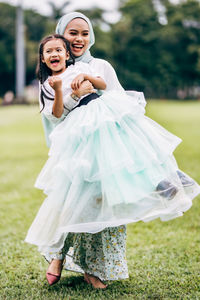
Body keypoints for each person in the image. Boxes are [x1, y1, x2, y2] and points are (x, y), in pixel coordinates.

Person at [25, 31, 200, 289]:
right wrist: (64, 90)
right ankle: (60, 258)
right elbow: (56, 114)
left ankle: (165, 177)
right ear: (42, 57)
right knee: (78, 194)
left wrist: (86, 77)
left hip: (103, 111)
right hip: (81, 127)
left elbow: (103, 85)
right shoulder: (48, 84)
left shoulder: (84, 66)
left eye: (59, 50)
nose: (55, 54)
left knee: (132, 141)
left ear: (66, 54)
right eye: (49, 51)